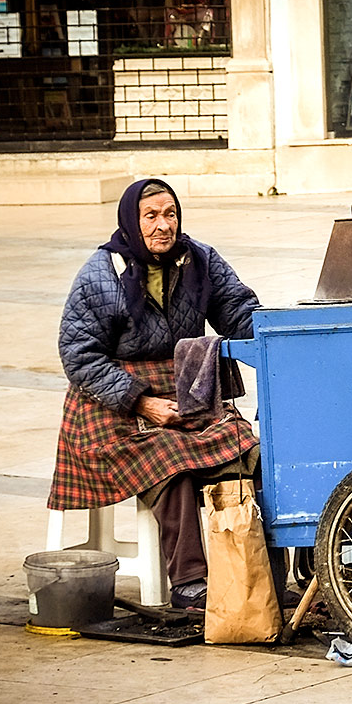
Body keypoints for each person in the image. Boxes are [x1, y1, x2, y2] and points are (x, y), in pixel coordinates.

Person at [47, 177, 261, 611]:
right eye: (151, 216)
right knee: (172, 464)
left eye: (170, 214)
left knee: (248, 454)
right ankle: (189, 582)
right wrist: (141, 401)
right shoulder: (100, 274)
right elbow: (79, 355)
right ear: (131, 221)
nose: (164, 225)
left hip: (183, 392)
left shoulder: (199, 259)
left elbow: (238, 311)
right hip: (111, 405)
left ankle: (256, 570)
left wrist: (280, 338)